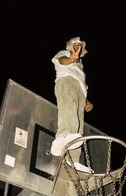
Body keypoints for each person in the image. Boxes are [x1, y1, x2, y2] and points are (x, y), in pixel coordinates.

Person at [50, 36, 93, 172]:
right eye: (76, 45)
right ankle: (62, 136)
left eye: (80, 45)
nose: (78, 47)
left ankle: (73, 160)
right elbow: (61, 62)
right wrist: (71, 58)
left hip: (80, 91)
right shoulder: (63, 54)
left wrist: (86, 101)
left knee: (78, 124)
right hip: (66, 81)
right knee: (68, 109)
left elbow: (82, 84)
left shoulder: (81, 67)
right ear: (70, 46)